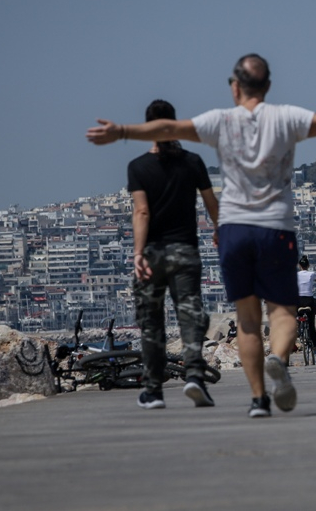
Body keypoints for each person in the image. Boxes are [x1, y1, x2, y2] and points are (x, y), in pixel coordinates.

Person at [87, 53, 316, 417]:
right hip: (275, 228)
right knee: (282, 311)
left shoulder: (219, 122)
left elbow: (166, 129)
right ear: (268, 86)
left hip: (233, 229)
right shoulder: (286, 118)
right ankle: (278, 356)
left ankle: (259, 399)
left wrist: (120, 131)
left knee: (246, 319)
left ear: (234, 87)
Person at [127, 99, 219, 410]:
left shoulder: (138, 167)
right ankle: (194, 375)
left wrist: (138, 253)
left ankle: (153, 390)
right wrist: (219, 229)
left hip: (152, 253)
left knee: (152, 323)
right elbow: (210, 202)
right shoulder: (192, 162)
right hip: (185, 252)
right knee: (190, 316)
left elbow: (141, 212)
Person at [296, 255, 316, 356]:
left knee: (296, 316)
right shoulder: (312, 274)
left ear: (299, 266)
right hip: (309, 301)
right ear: (308, 265)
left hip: (298, 301)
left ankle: (298, 327)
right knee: (311, 325)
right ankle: (315, 348)